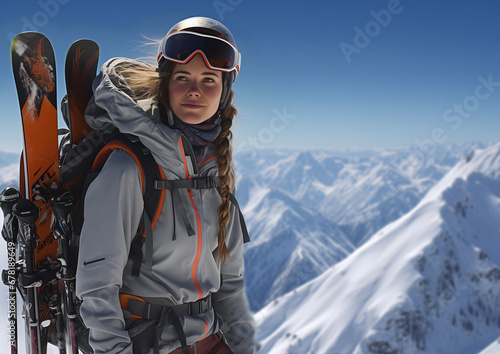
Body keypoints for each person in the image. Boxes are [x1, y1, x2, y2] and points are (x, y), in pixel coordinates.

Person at [75, 16, 257, 354]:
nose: (194, 91)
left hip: (207, 339)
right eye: (182, 78)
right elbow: (97, 287)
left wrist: (244, 345)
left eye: (209, 80)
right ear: (165, 84)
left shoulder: (214, 171)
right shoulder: (130, 167)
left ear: (224, 92)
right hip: (148, 341)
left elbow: (228, 283)